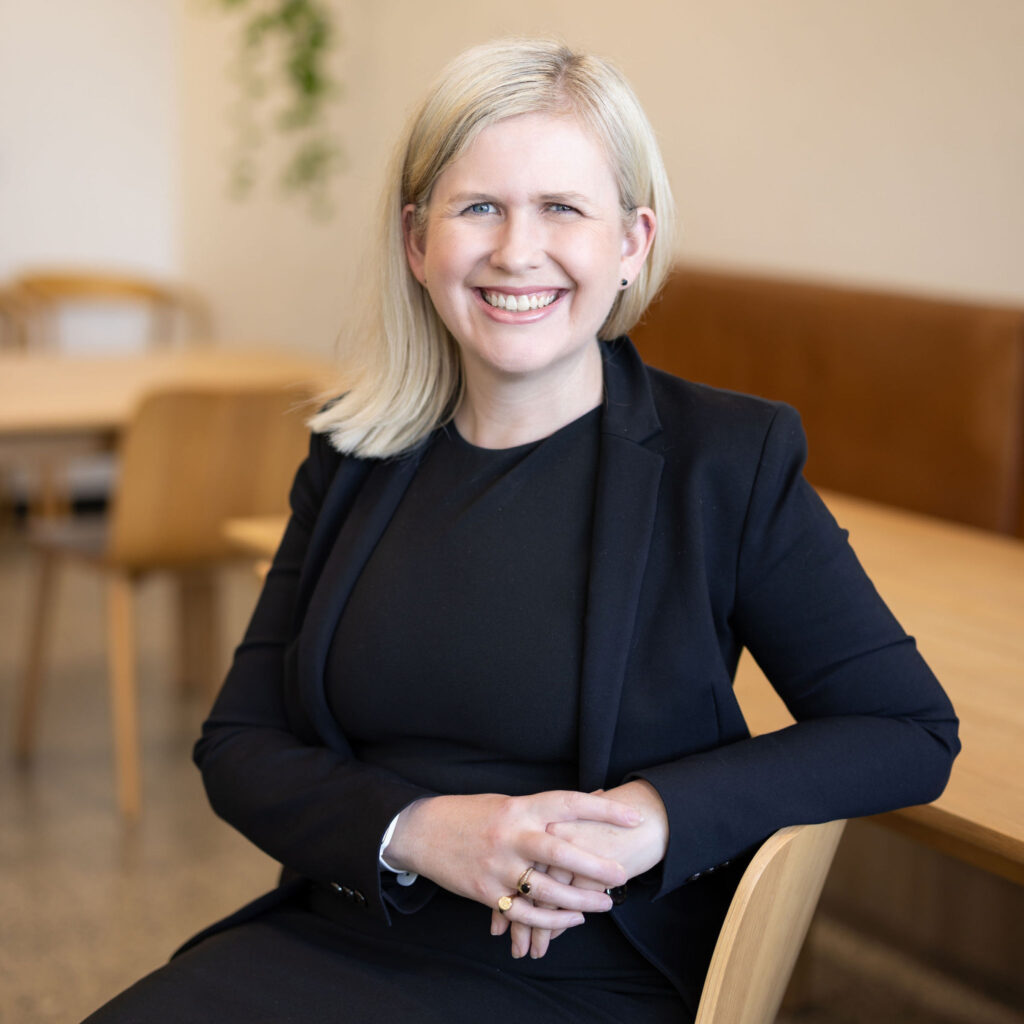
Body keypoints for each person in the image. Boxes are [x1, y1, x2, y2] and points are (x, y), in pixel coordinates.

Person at [84, 38, 959, 1023]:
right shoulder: (353, 452)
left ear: (631, 242)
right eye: (478, 208)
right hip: (349, 925)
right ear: (416, 241)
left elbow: (905, 729)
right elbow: (239, 742)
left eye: (562, 208)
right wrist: (417, 829)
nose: (515, 250)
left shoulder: (726, 459)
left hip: (590, 967)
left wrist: (650, 817)